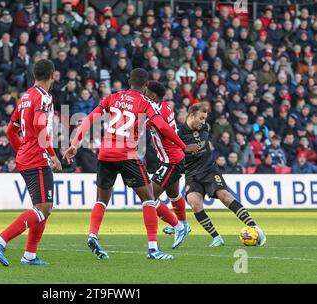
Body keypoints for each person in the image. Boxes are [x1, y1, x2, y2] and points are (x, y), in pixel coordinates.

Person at [63, 68, 199, 260]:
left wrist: (74, 144)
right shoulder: (145, 103)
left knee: (101, 200)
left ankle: (93, 235)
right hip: (127, 155)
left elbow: (89, 119)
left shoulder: (113, 97)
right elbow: (162, 126)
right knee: (149, 200)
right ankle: (153, 249)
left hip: (105, 154)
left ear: (129, 82)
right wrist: (183, 146)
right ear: (145, 86)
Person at [0, 59, 62, 266]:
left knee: (41, 208)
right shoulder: (44, 97)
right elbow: (39, 125)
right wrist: (52, 154)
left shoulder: (25, 97)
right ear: (52, 75)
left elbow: (11, 130)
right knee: (44, 208)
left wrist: (21, 150)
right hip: (37, 157)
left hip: (27, 156)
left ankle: (29, 255)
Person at [177, 102, 266, 247]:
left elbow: (199, 146)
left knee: (225, 196)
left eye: (205, 118)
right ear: (191, 116)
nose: (203, 122)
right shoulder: (179, 133)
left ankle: (256, 228)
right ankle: (216, 237)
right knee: (194, 203)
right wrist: (185, 149)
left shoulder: (204, 128)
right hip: (191, 173)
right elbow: (176, 151)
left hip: (208, 169)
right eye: (201, 118)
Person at [143, 81, 190, 248]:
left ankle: (178, 226)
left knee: (149, 197)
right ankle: (184, 224)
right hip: (171, 158)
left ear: (153, 96)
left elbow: (143, 123)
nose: (144, 94)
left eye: (146, 92)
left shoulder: (157, 112)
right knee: (174, 195)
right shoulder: (166, 106)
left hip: (171, 161)